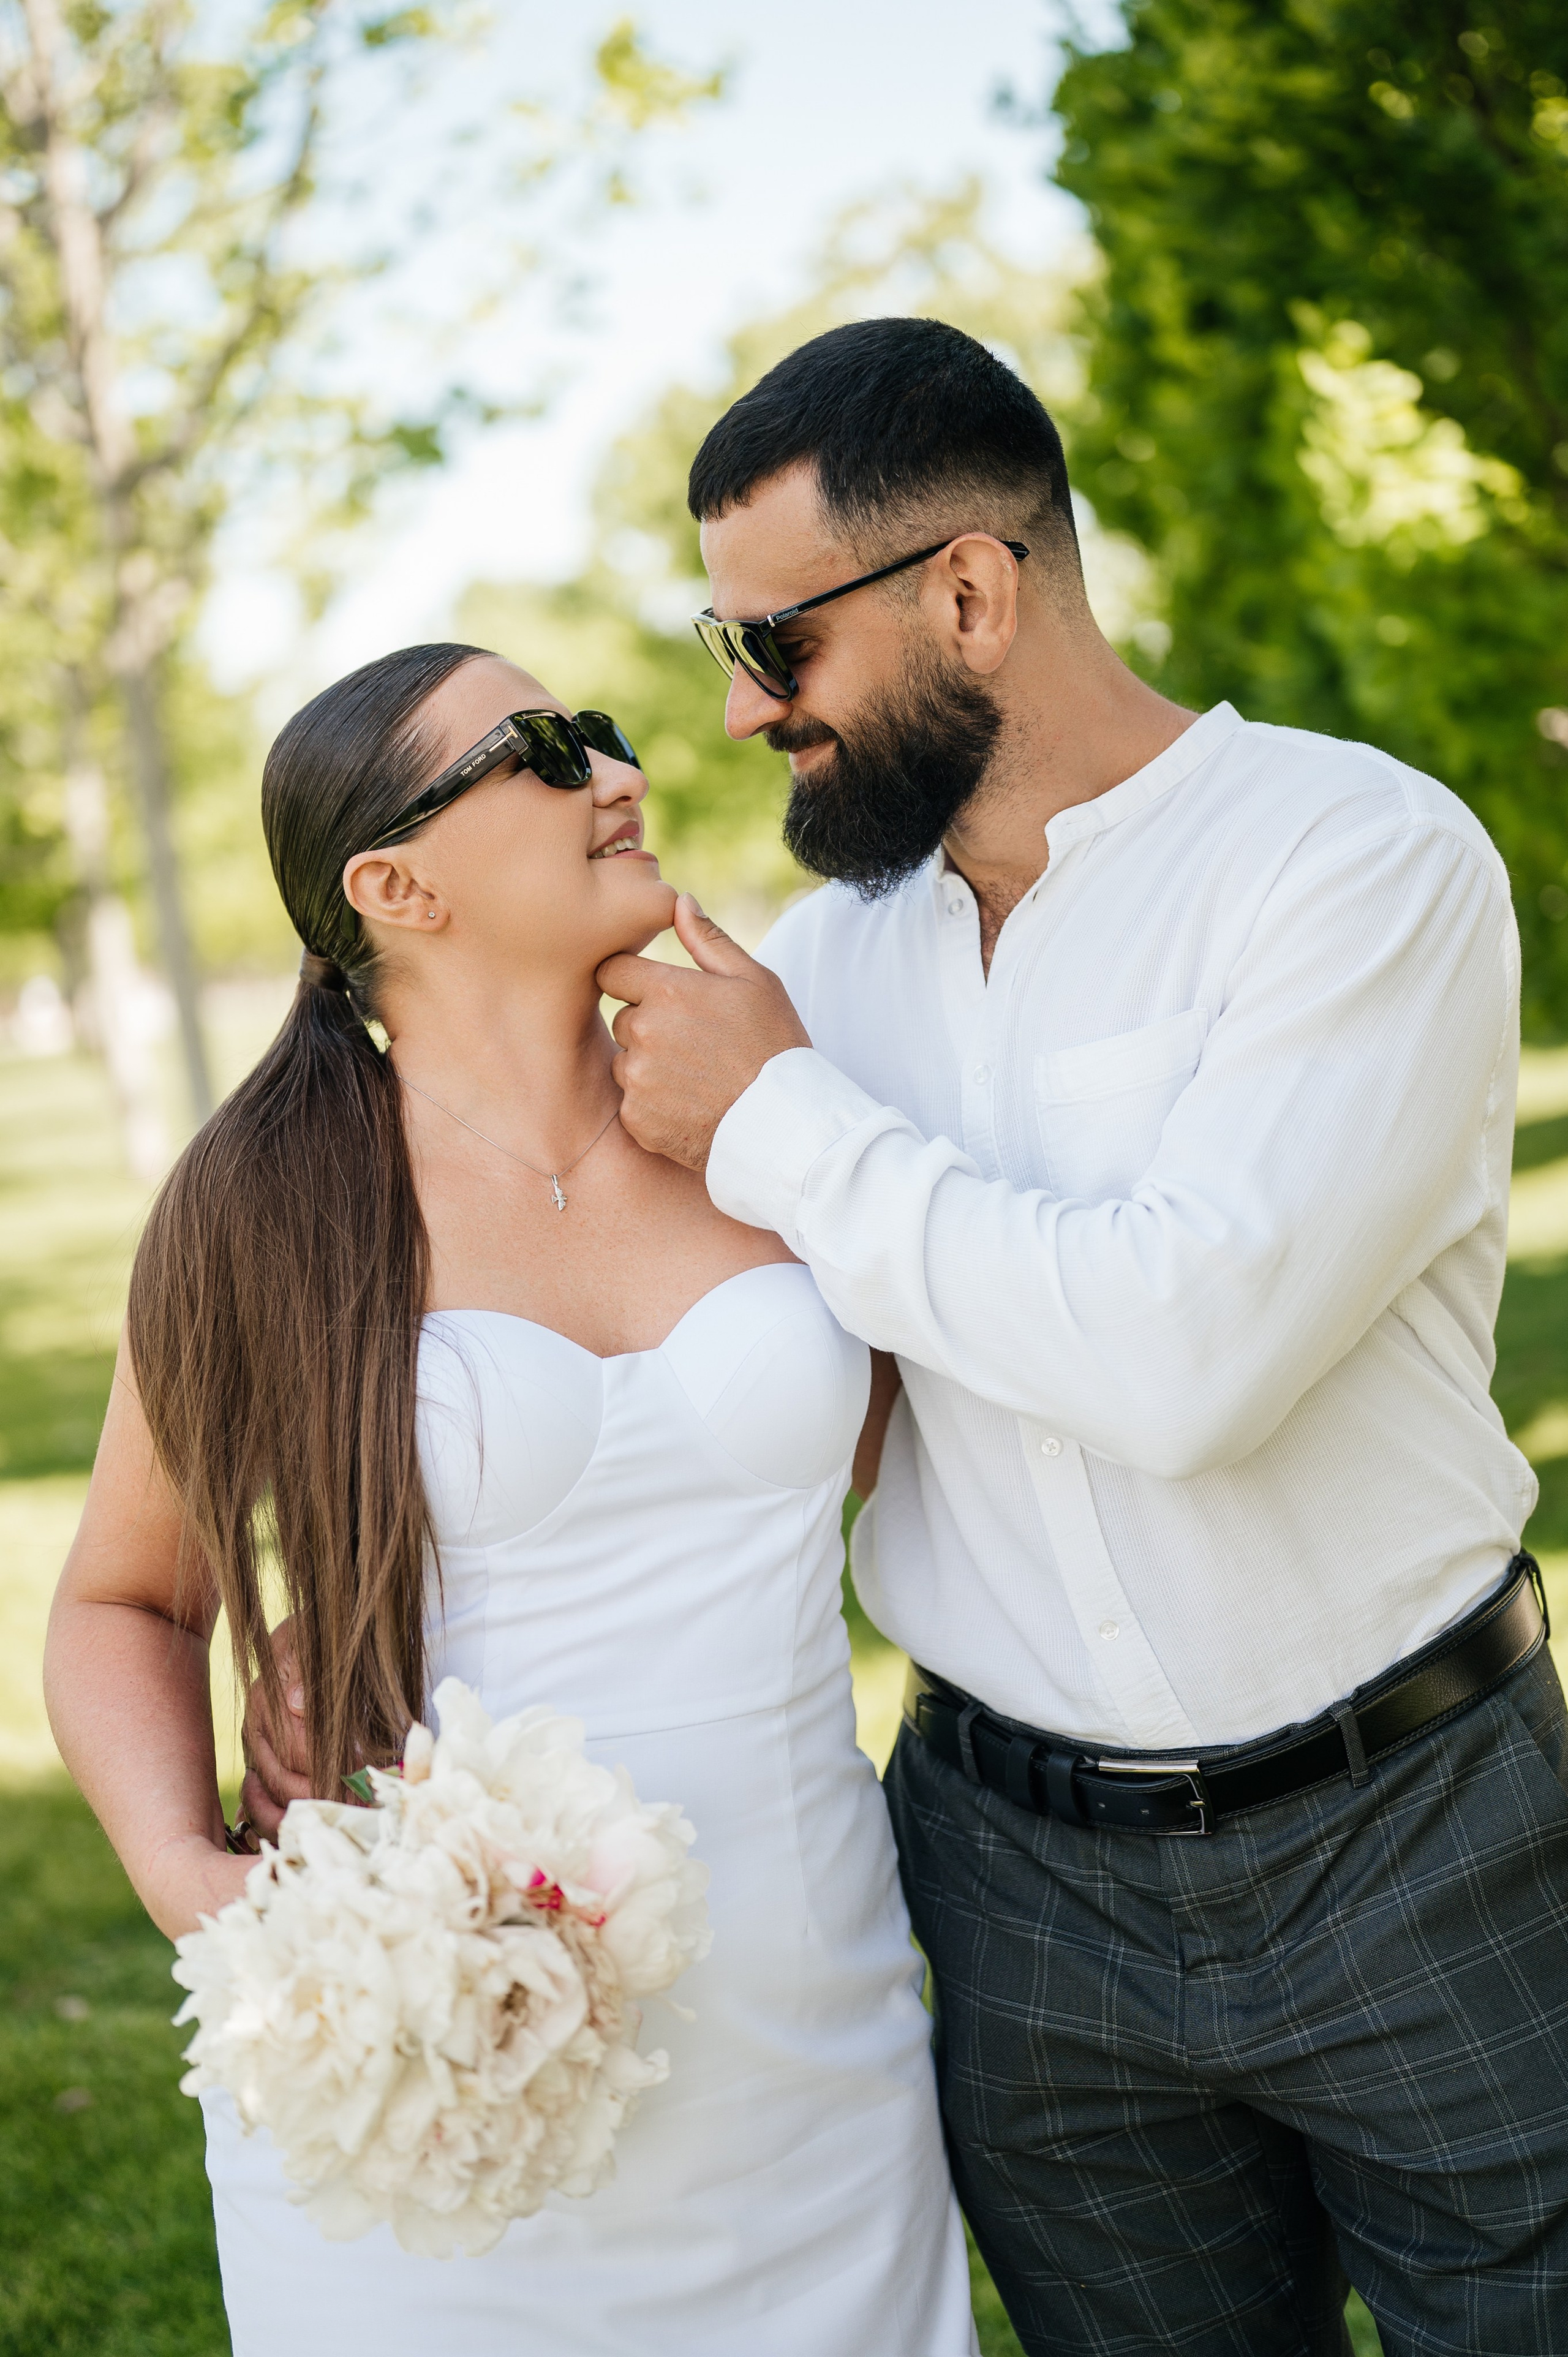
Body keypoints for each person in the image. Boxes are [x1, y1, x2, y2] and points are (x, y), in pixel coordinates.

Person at [591, 317, 1568, 2356]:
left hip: (1421, 1841)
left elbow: (1181, 1358)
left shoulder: (1356, 859)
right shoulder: (820, 976)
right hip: (1019, 1891)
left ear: (969, 589)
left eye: (781, 646)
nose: (757, 711)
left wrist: (780, 1121)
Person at [42, 643, 976, 2357]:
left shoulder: (761, 1115)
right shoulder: (266, 1201)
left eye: (602, 729)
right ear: (393, 884)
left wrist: (795, 1103)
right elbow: (125, 1595)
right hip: (443, 2062)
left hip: (807, 2038)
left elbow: (941, 1444)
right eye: (542, 752)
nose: (617, 770)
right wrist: (202, 1886)